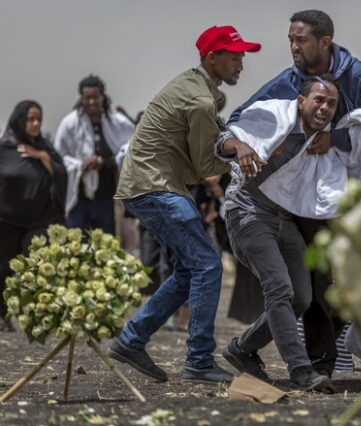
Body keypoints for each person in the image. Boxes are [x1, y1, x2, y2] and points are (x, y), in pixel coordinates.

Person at [227, 9, 361, 378]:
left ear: (324, 42)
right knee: (313, 280)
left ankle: (343, 350)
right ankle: (318, 363)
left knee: (352, 276)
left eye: (300, 40)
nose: (293, 46)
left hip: (351, 193)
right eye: (290, 39)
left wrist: (336, 138)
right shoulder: (288, 82)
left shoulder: (359, 77)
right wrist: (246, 146)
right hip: (302, 198)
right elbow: (240, 117)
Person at [106, 25, 262, 384]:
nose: (241, 64)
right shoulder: (200, 100)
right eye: (234, 56)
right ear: (211, 58)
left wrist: (232, 146)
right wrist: (240, 154)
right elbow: (205, 168)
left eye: (242, 56)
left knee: (191, 269)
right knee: (208, 266)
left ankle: (131, 340)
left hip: (153, 184)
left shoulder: (201, 89)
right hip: (155, 186)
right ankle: (199, 360)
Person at [220, 77, 341, 392]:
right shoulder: (274, 118)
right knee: (280, 289)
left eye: (331, 103)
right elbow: (221, 141)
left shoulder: (323, 142)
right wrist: (242, 147)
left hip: (283, 219)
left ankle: (242, 349)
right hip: (247, 214)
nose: (325, 107)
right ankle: (300, 370)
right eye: (319, 100)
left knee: (301, 298)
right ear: (301, 101)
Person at [0, 100, 67, 331]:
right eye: (31, 119)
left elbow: (61, 175)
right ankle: (3, 315)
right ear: (19, 120)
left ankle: (38, 317)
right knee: (4, 269)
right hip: (7, 221)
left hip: (39, 221)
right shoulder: (4, 148)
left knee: (37, 268)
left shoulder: (45, 148)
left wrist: (41, 156)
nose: (36, 123)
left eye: (39, 118)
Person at [54, 75, 135, 234]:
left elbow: (132, 146)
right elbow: (58, 157)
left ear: (103, 97)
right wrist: (80, 165)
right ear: (81, 99)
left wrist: (104, 162)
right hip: (78, 199)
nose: (91, 102)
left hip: (106, 198)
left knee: (107, 248)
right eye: (87, 98)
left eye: (95, 97)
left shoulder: (117, 122)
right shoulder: (69, 124)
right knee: (77, 247)